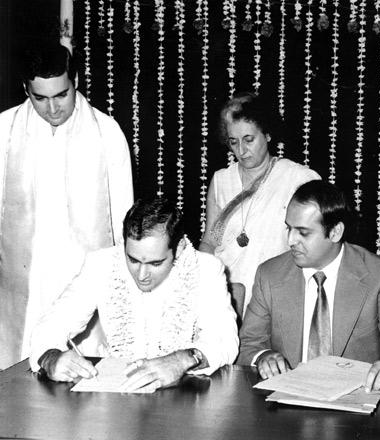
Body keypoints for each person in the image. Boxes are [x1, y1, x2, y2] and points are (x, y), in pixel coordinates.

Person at [0, 42, 133, 369]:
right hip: (23, 282)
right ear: (25, 90)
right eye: (40, 98)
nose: (53, 108)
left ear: (76, 81)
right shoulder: (5, 129)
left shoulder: (107, 133)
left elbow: (123, 221)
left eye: (62, 95)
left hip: (81, 282)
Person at [238, 181, 380, 392]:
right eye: (289, 228)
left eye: (303, 232)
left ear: (335, 232)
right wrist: (262, 357)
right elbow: (247, 344)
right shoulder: (269, 275)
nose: (291, 240)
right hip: (285, 402)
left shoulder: (379, 274)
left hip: (356, 405)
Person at [29, 198, 238, 392]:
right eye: (133, 260)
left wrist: (180, 360)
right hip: (118, 395)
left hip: (188, 396)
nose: (142, 275)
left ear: (180, 247)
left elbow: (225, 341)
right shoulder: (101, 264)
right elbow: (50, 326)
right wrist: (51, 358)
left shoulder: (207, 269)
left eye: (155, 263)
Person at [199, 92, 320, 314]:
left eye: (249, 140)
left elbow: (315, 246)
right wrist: (203, 284)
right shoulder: (221, 181)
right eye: (233, 142)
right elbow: (211, 240)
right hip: (227, 295)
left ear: (267, 134)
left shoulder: (298, 179)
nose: (241, 151)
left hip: (277, 295)